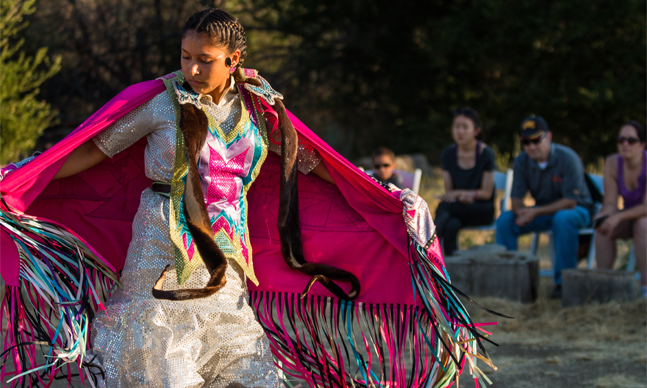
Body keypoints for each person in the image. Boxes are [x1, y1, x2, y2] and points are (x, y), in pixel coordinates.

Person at [0, 8, 495, 388]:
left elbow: (310, 159)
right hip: (160, 249)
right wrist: (25, 176)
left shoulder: (258, 109)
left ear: (233, 60)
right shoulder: (161, 102)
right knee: (165, 365)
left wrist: (375, 189)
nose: (193, 68)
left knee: (245, 370)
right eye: (186, 56)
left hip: (228, 257)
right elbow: (92, 149)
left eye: (205, 59)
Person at [496, 116, 594, 299]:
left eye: (536, 140)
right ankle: (507, 281)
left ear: (548, 136)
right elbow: (516, 199)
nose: (531, 146)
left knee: (563, 218)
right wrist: (521, 212)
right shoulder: (521, 161)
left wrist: (533, 211)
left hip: (577, 210)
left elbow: (570, 202)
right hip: (542, 212)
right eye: (526, 142)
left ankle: (563, 283)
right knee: (505, 220)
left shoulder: (568, 158)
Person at [594, 121, 646, 297]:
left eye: (631, 140)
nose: (625, 144)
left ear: (642, 145)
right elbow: (610, 202)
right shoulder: (612, 163)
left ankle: (645, 288)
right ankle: (603, 285)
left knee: (643, 225)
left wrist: (617, 217)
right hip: (629, 218)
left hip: (643, 219)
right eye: (621, 140)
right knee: (603, 228)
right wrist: (605, 215)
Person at [435, 108, 496, 256]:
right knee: (451, 225)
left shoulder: (486, 154)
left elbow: (487, 193)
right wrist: (460, 196)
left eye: (465, 127)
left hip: (481, 208)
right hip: (458, 208)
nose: (460, 131)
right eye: (456, 127)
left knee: (444, 207)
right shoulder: (448, 154)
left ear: (476, 130)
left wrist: (468, 195)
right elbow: (450, 192)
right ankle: (450, 269)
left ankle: (426, 244)